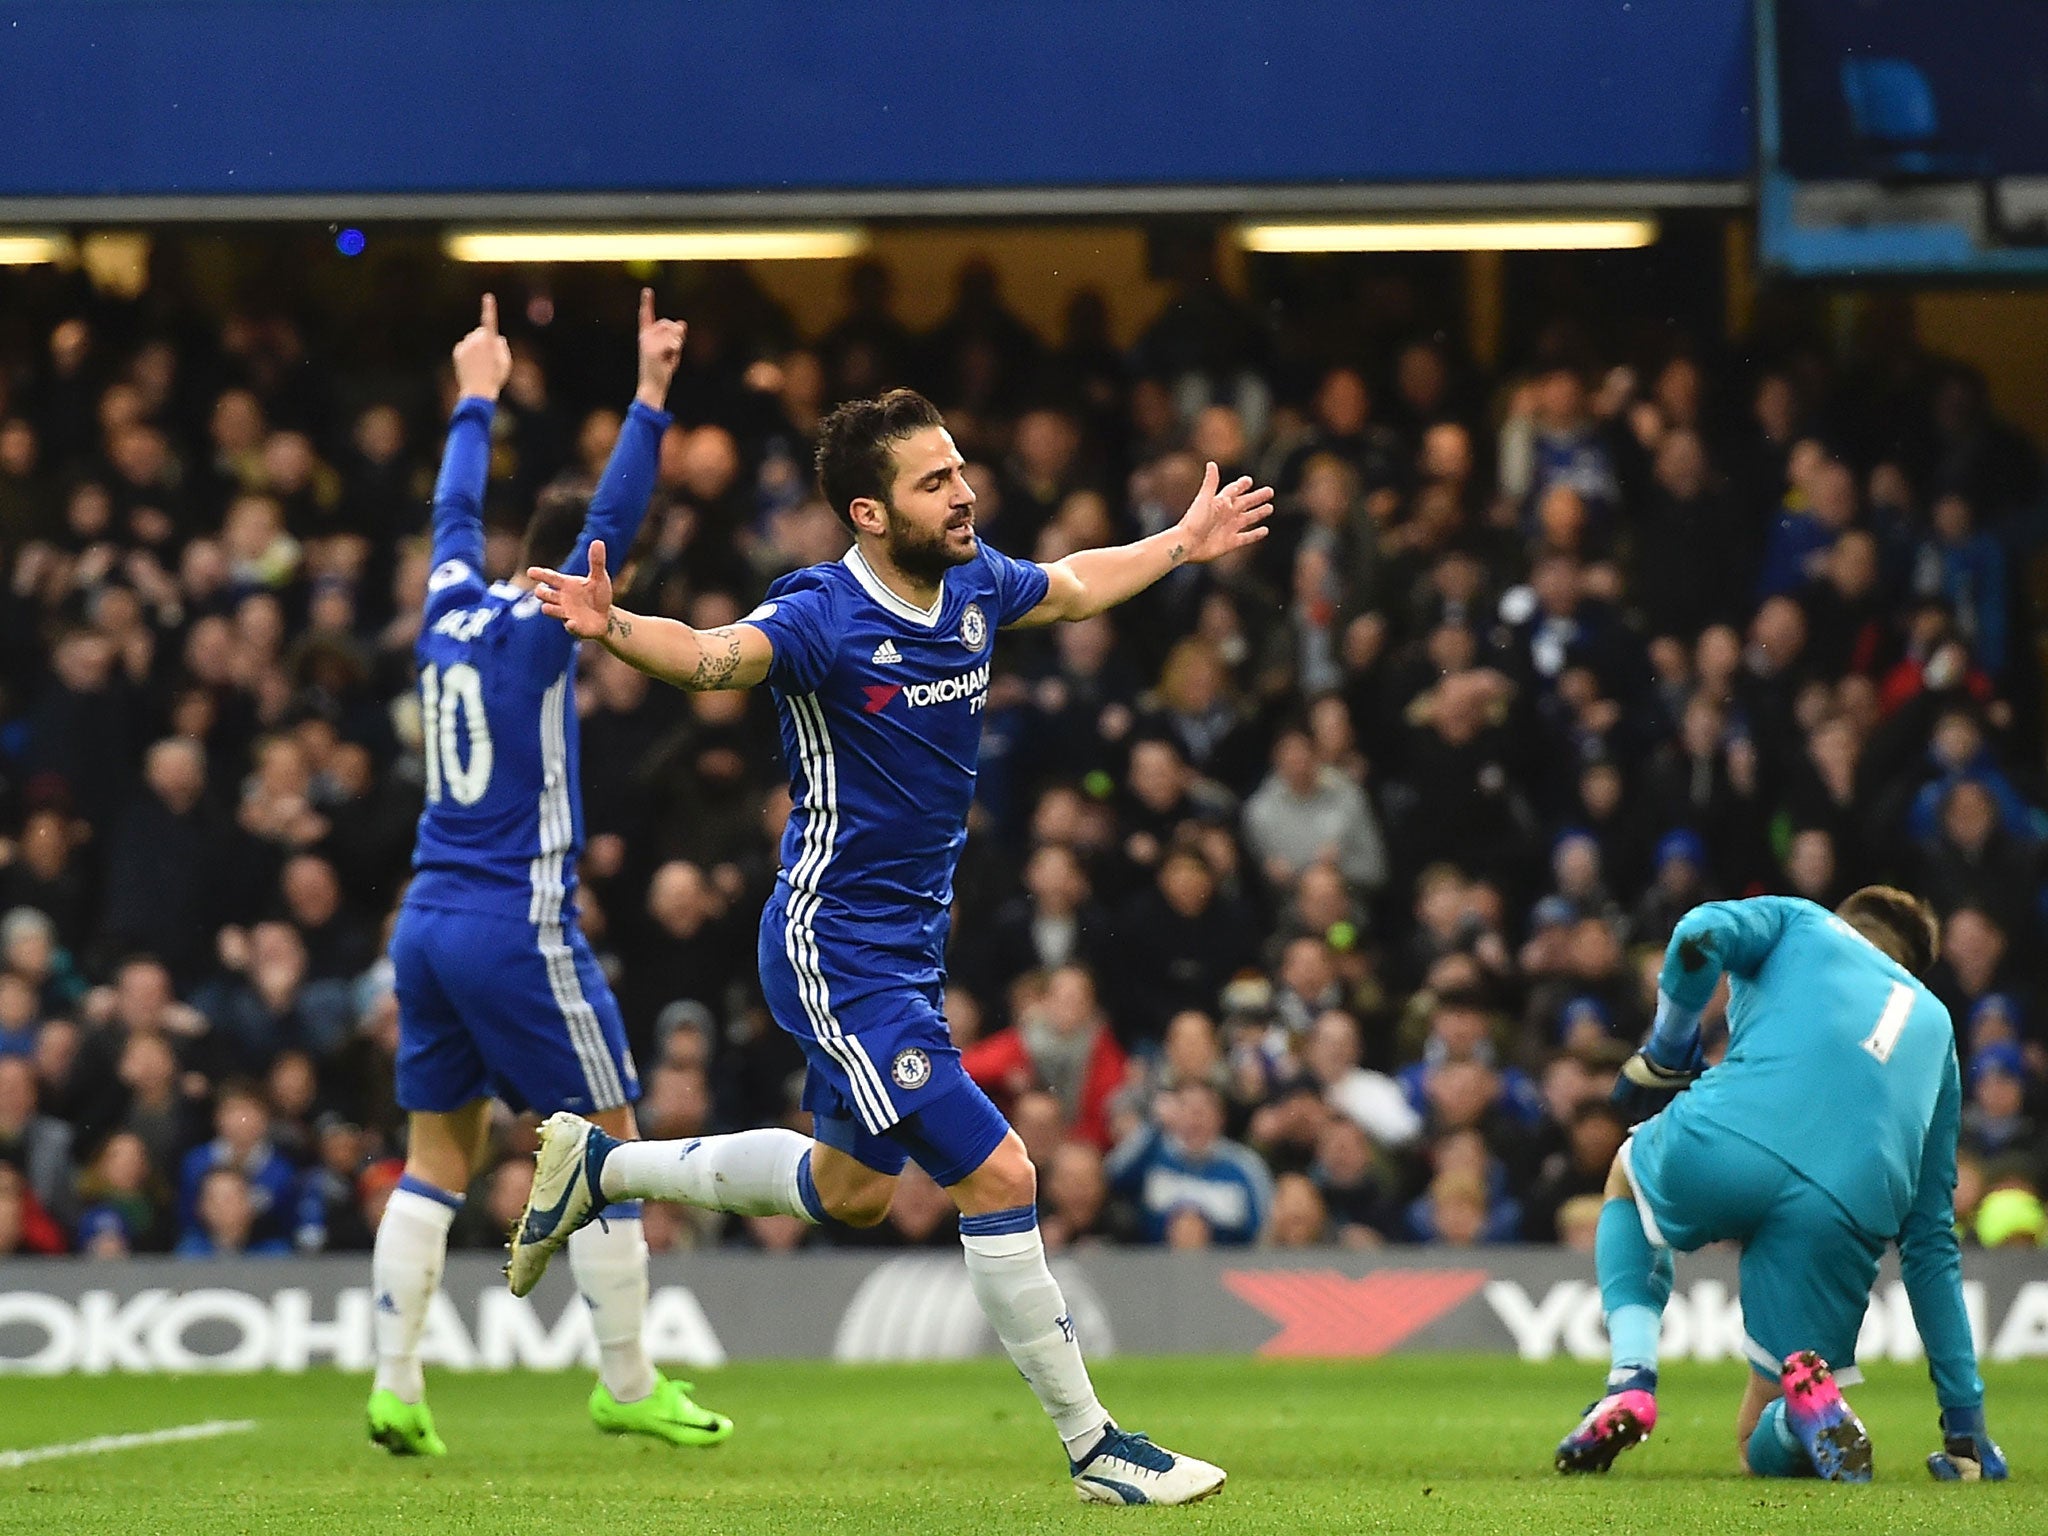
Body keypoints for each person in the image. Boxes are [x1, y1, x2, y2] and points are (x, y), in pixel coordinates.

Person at [512, 384, 1271, 1503]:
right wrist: (616, 628)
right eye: (934, 481)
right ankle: (1095, 1448)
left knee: (853, 1190)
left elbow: (1067, 589)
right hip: (835, 947)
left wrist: (1179, 544)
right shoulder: (821, 614)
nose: (964, 492)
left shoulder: (968, 581)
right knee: (1001, 1170)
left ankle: (601, 1166)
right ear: (869, 513)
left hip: (903, 949)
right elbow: (715, 655)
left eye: (959, 469)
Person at [368, 294, 729, 1458]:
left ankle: (395, 1386)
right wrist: (650, 398)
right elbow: (610, 518)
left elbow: (456, 507)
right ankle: (625, 1380)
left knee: (437, 1157)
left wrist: (474, 394)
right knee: (607, 1139)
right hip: (512, 921)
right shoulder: (540, 630)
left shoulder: (446, 603)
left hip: (423, 918)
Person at [1555, 887, 2005, 1485]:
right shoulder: (1938, 1028)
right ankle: (1797, 1421)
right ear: (1914, 969)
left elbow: (1697, 933)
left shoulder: (1802, 923)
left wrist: (1667, 1048)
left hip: (1740, 1133)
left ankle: (1630, 1382)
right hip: (1847, 1206)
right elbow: (1930, 1245)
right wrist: (1964, 1422)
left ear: (1846, 922)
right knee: (1758, 1435)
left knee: (1627, 1183)